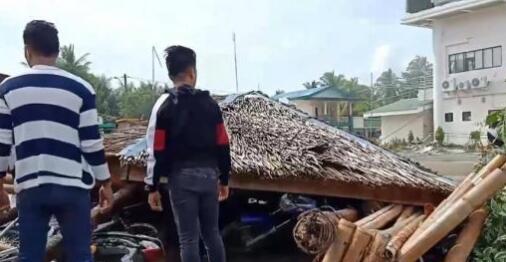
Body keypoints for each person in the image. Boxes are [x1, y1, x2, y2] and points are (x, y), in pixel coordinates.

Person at [0, 20, 113, 261]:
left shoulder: (8, 89)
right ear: (58, 51)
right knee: (80, 255)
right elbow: (92, 143)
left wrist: (0, 182)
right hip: (73, 187)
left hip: (31, 187)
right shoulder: (81, 89)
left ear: (27, 50)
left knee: (29, 255)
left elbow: (2, 144)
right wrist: (106, 183)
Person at [145, 45, 231, 262]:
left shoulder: (163, 106)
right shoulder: (211, 104)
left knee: (188, 239)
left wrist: (152, 186)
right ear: (192, 72)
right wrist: (225, 178)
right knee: (212, 233)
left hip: (181, 178)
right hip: (209, 174)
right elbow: (223, 142)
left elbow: (156, 148)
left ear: (170, 74)